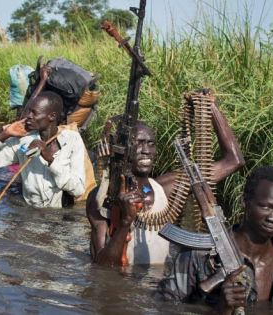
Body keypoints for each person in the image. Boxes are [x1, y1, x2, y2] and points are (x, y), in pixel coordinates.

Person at [86, 103, 245, 266]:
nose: (146, 150)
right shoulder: (103, 198)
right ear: (121, 148)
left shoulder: (166, 188)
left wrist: (209, 106)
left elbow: (233, 161)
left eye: (151, 143)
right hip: (123, 286)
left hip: (158, 287)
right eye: (139, 143)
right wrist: (125, 222)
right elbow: (102, 267)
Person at [157, 166, 273, 314]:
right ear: (245, 202)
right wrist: (220, 310)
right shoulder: (198, 255)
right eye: (265, 207)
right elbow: (163, 308)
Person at [0, 91, 86, 208]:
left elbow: (78, 190)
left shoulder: (72, 140)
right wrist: (5, 134)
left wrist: (50, 160)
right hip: (32, 215)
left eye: (34, 113)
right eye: (29, 111)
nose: (29, 116)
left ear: (52, 116)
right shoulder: (22, 142)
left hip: (60, 216)